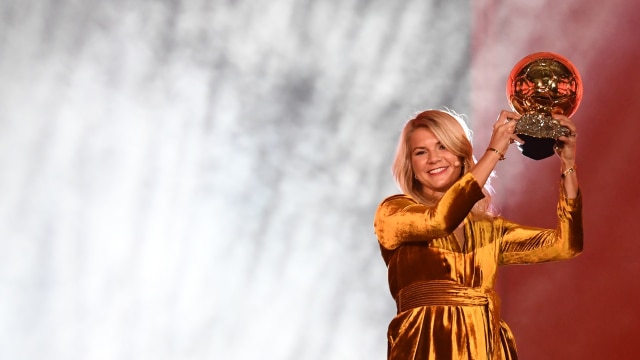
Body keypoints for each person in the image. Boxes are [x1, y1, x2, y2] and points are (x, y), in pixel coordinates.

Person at [373, 109, 583, 360]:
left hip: (487, 347)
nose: (433, 159)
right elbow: (440, 220)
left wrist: (568, 164)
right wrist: (494, 152)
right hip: (425, 346)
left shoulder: (488, 229)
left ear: (461, 156)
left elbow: (566, 244)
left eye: (443, 147)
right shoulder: (393, 213)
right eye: (421, 152)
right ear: (411, 165)